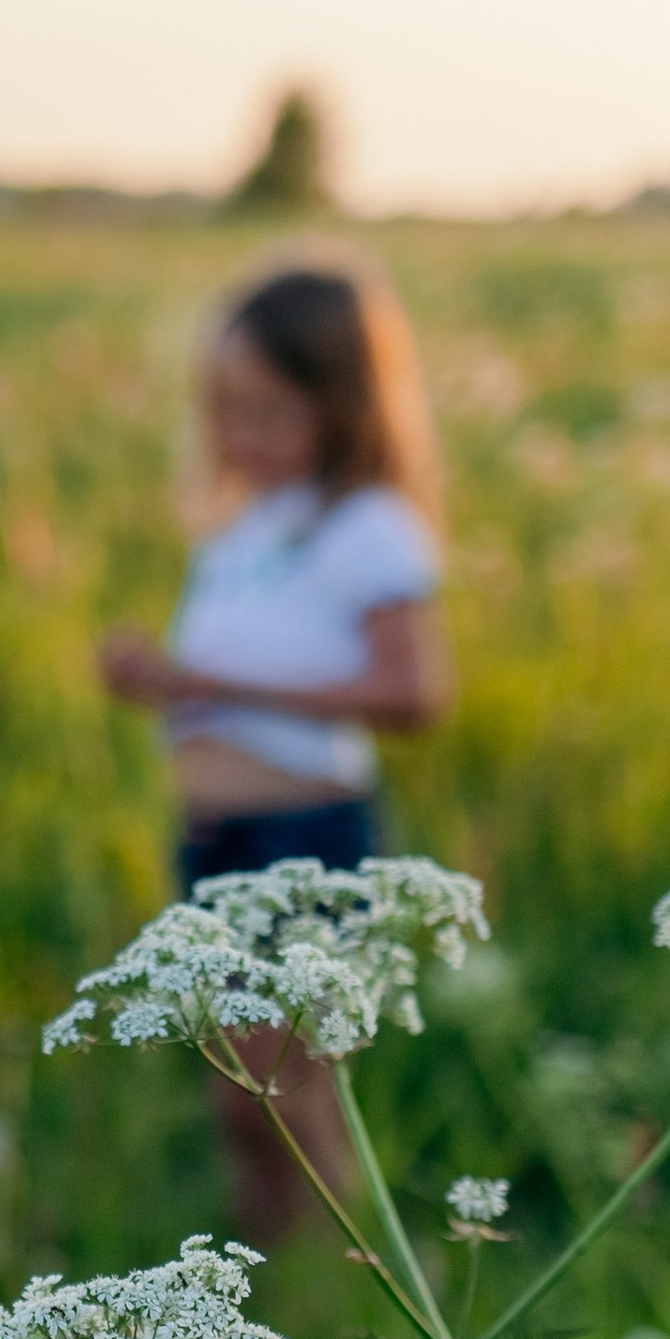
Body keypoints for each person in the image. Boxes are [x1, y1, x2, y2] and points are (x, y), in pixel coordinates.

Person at [96, 260, 451, 1238]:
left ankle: (340, 1277)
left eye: (269, 413)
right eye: (227, 411)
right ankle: (264, 1273)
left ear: (341, 406)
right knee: (237, 1097)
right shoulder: (240, 528)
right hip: (214, 836)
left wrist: (224, 687)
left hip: (303, 833)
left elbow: (415, 692)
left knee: (286, 1088)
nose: (241, 436)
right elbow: (226, 670)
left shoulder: (367, 528)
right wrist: (159, 681)